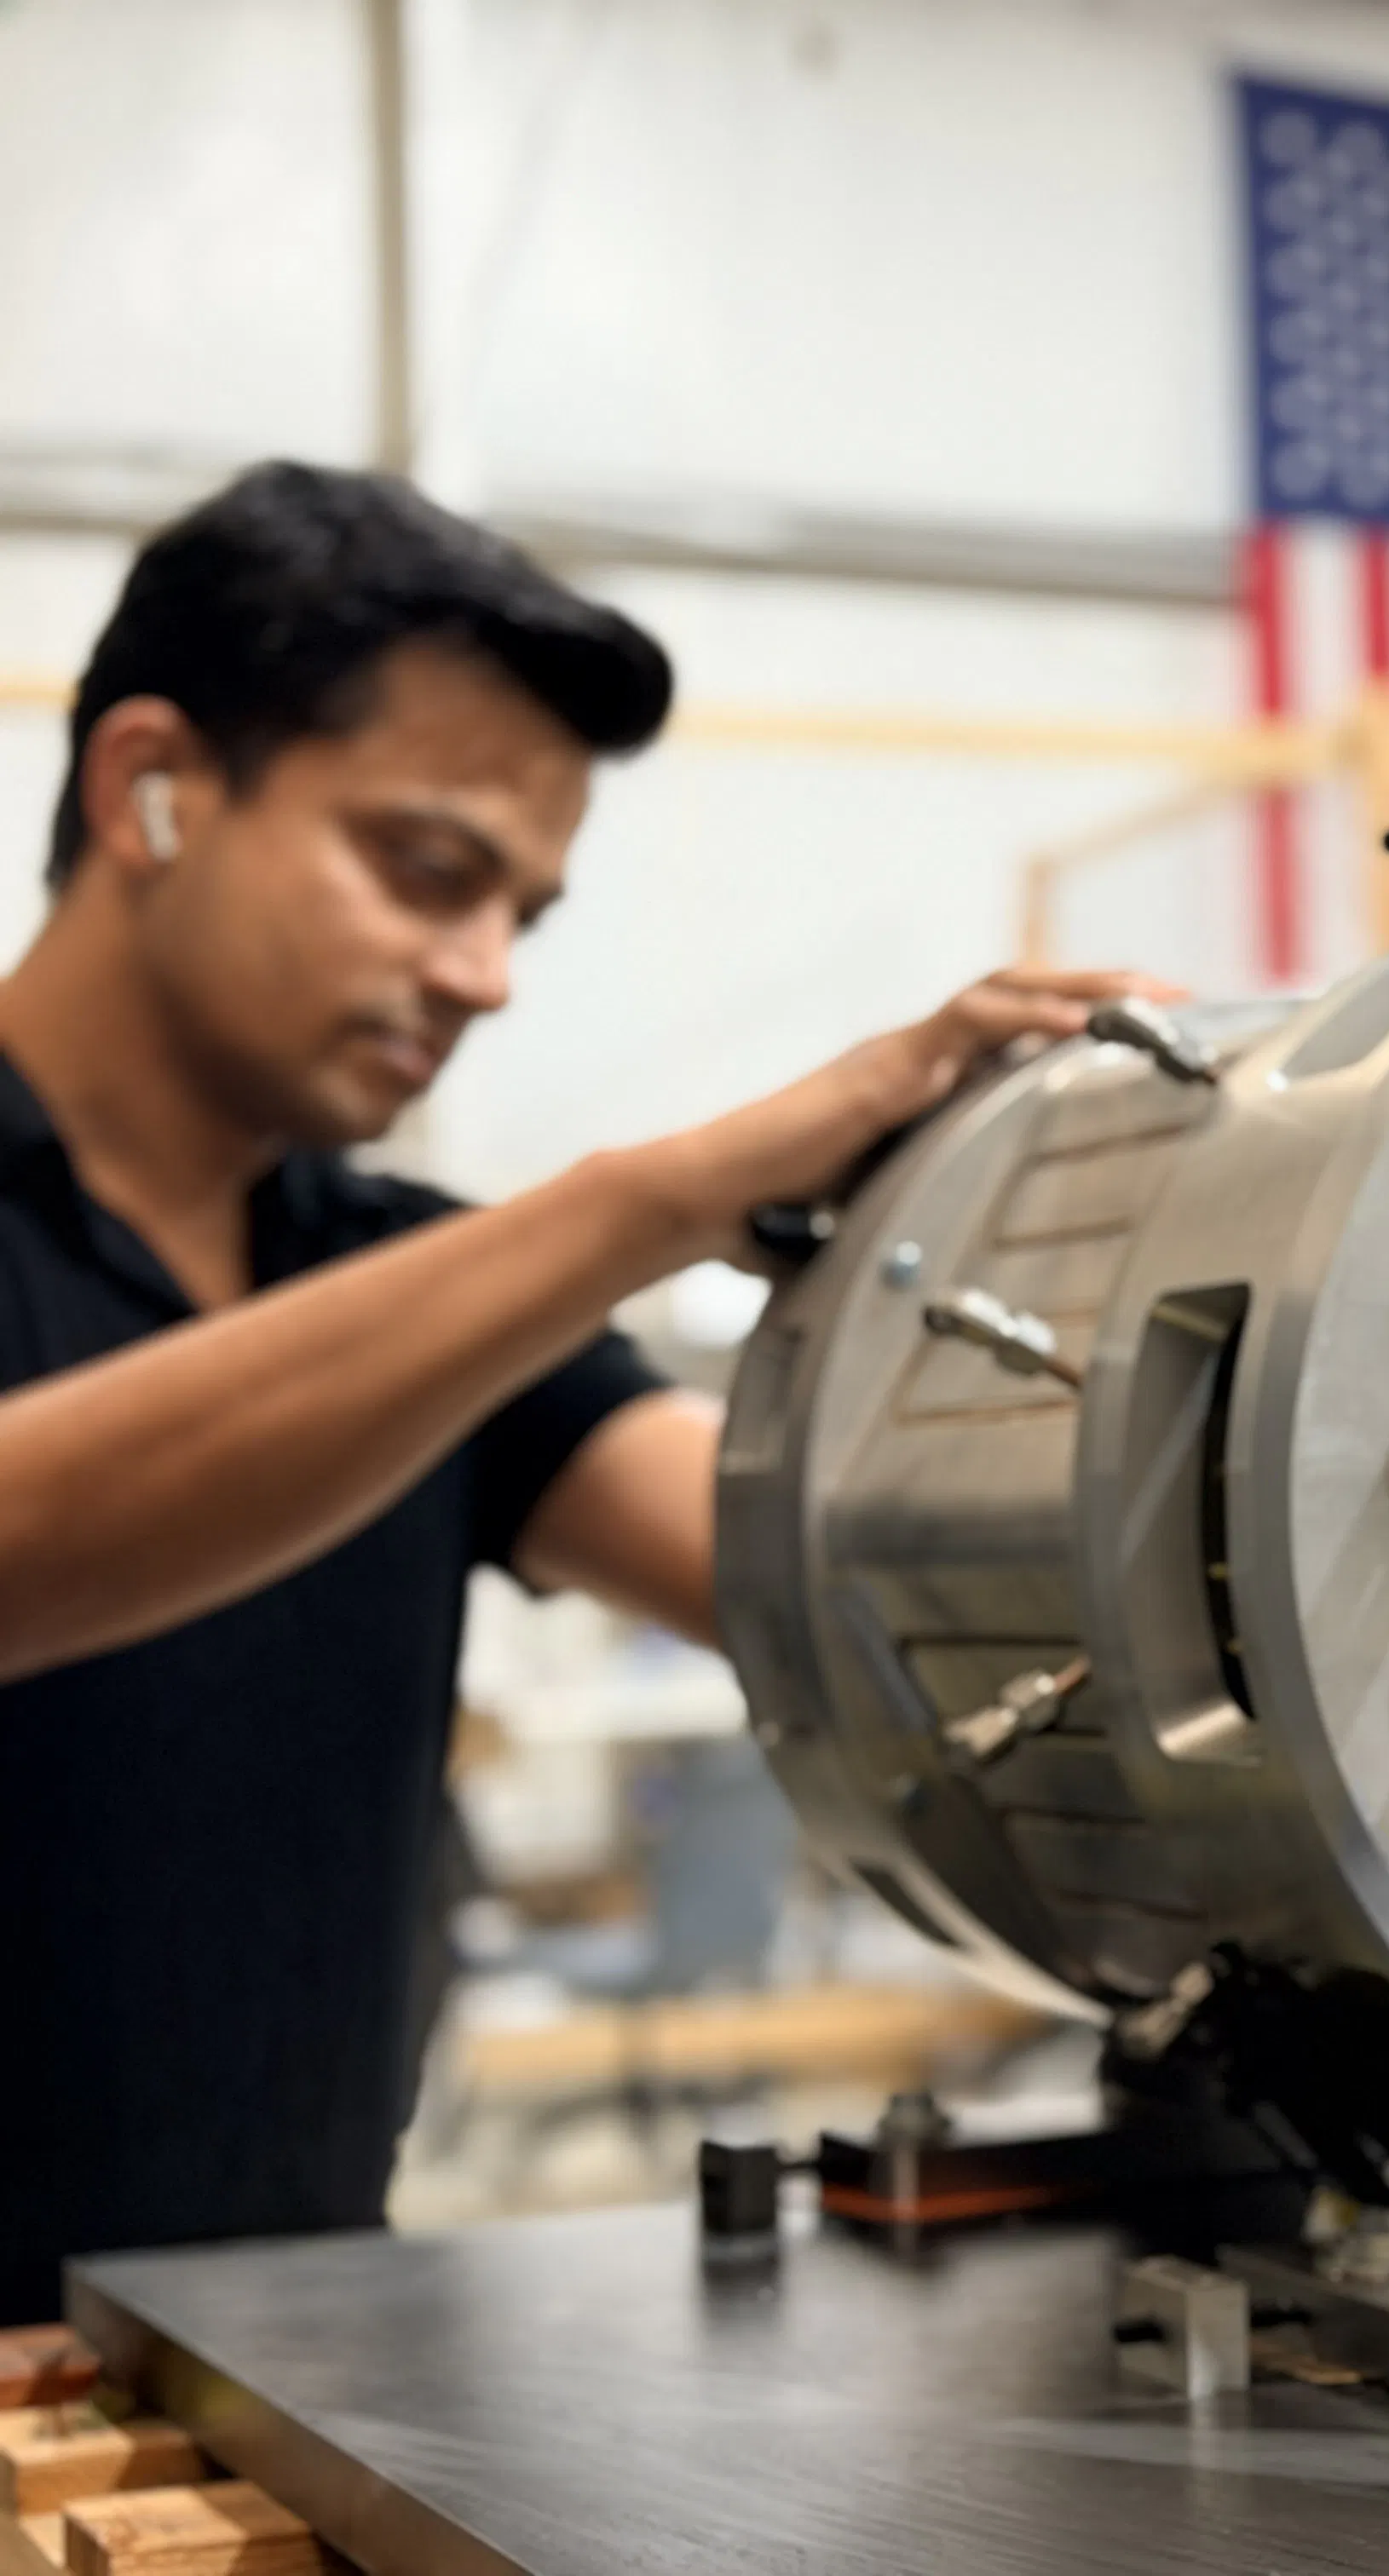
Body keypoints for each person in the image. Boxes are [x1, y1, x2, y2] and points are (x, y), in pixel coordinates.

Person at [0, 463, 1144, 2318]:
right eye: (430, 870)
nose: (485, 976)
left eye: (524, 911)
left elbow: (840, 1580)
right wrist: (654, 1199)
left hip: (256, 2394)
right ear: (154, 787)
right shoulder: (455, 1299)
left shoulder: (411, 1278)